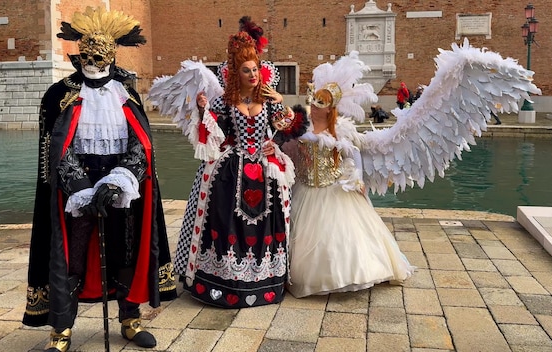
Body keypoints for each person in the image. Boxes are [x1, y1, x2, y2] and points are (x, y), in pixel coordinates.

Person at [22, 7, 177, 351]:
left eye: (102, 55)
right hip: (74, 190)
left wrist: (117, 182)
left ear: (112, 54)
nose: (95, 61)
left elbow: (142, 145)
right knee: (71, 258)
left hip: (122, 190)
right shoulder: (58, 95)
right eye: (89, 54)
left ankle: (130, 320)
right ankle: (61, 331)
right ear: (80, 53)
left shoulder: (128, 94)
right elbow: (55, 150)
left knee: (126, 252)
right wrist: (82, 189)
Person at [173, 17, 304, 308]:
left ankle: (266, 282)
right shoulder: (224, 101)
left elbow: (287, 126)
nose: (253, 74)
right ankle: (222, 283)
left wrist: (281, 104)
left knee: (268, 219)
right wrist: (202, 108)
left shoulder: (268, 98)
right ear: (237, 73)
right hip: (231, 167)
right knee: (223, 216)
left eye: (256, 68)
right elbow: (209, 132)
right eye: (247, 70)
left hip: (264, 167)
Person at [282, 53, 414, 298]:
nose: (313, 108)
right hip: (305, 189)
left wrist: (356, 180)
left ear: (330, 109)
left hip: (333, 189)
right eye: (312, 102)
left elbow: (353, 158)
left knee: (343, 237)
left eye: (319, 104)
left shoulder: (341, 131)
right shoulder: (301, 128)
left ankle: (349, 274)